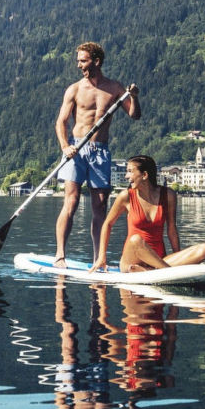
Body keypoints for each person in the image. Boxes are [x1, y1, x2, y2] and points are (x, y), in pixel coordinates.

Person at [52, 41, 139, 265]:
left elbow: (134, 114)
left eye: (83, 60)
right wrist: (65, 147)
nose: (79, 65)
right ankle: (60, 255)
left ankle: (99, 258)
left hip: (100, 152)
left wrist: (135, 97)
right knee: (70, 202)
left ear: (96, 61)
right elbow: (60, 122)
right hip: (75, 150)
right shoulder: (74, 89)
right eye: (78, 60)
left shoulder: (115, 88)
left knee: (100, 207)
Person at [91, 154, 205, 273]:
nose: (126, 176)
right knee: (136, 240)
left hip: (160, 260)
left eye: (130, 171)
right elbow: (107, 224)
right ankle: (167, 271)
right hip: (132, 260)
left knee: (204, 249)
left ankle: (151, 270)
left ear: (144, 175)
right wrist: (102, 257)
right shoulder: (126, 196)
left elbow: (172, 229)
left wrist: (178, 256)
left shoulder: (168, 195)